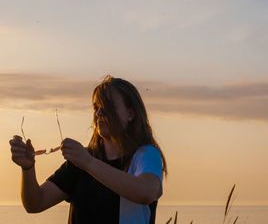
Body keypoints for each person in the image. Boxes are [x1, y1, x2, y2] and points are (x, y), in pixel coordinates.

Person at [9, 76, 167, 224]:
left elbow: (146, 192)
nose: (99, 113)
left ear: (130, 114)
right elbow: (36, 203)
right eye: (96, 107)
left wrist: (88, 163)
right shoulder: (80, 161)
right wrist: (28, 168)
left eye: (107, 107)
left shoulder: (146, 155)